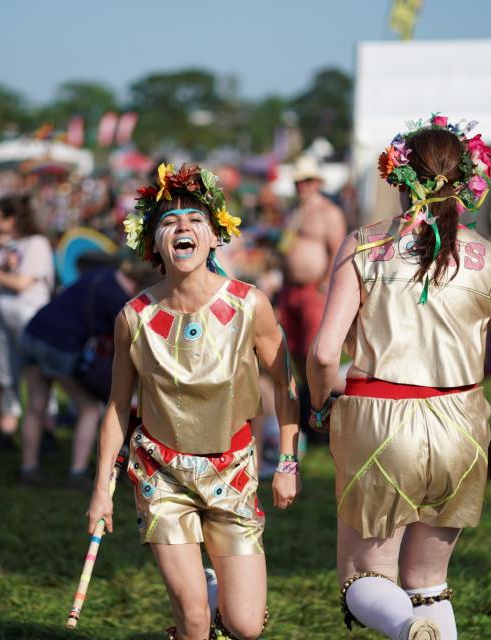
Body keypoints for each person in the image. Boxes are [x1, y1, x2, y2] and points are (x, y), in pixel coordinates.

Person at [307, 117, 491, 640]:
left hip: (379, 421)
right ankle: (420, 623)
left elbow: (325, 351)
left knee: (363, 578)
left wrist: (319, 405)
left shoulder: (365, 245)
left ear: (399, 179)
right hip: (462, 428)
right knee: (429, 582)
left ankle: (406, 628)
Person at [87, 164, 300, 640]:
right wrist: (102, 488)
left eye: (195, 219)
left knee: (245, 626)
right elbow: (118, 407)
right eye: (168, 222)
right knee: (196, 622)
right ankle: (193, 607)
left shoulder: (250, 305)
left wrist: (288, 460)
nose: (182, 227)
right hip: (162, 474)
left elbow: (286, 386)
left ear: (215, 236)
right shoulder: (134, 318)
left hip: (234, 471)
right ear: (154, 244)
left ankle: (206, 584)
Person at [18, 255, 156, 487]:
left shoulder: (100, 274)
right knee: (90, 409)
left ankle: (28, 468)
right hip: (61, 346)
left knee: (35, 407)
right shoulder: (121, 302)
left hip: (33, 333)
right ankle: (78, 472)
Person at [276, 156, 346, 421]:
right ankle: (308, 403)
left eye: (306, 181)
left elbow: (337, 250)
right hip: (291, 289)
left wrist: (327, 284)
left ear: (316, 182)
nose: (302, 186)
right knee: (292, 349)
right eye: (298, 182)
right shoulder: (294, 212)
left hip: (314, 289)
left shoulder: (329, 212)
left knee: (314, 351)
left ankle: (321, 406)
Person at [0, 194, 54, 440]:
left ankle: (46, 431)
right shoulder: (10, 244)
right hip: (3, 318)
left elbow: (21, 283)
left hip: (29, 318)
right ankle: (7, 430)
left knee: (39, 375)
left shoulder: (37, 243)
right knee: (6, 375)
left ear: (11, 218)